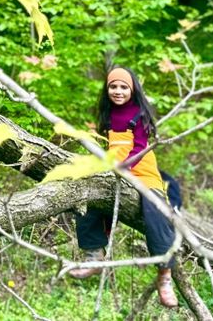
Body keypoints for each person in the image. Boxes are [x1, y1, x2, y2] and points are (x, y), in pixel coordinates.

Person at [69, 66, 182, 309]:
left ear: (132, 90)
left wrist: (124, 169)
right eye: (113, 86)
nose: (118, 91)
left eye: (123, 87)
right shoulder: (107, 114)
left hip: (140, 168)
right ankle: (93, 253)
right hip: (114, 168)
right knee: (86, 195)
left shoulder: (138, 114)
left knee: (155, 210)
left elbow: (139, 147)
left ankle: (165, 276)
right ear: (107, 89)